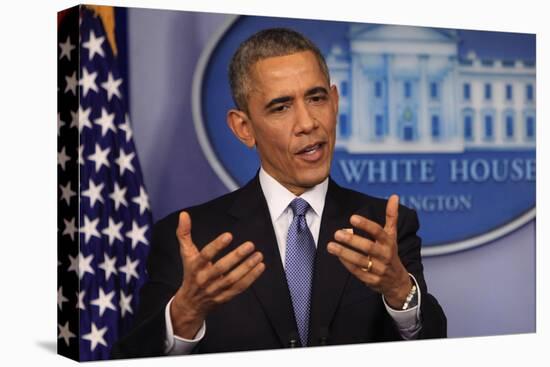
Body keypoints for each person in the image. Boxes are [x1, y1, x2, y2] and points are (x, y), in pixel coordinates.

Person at [111, 27, 446, 358]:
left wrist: (400, 290)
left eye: (316, 98)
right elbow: (130, 357)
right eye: (281, 107)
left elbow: (436, 345)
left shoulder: (387, 228)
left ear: (335, 102)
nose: (307, 122)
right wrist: (185, 313)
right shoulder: (192, 239)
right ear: (244, 128)